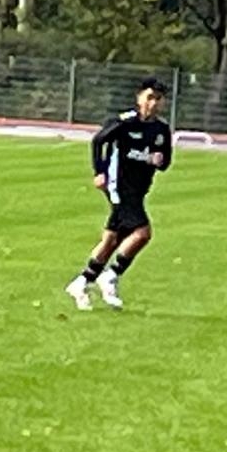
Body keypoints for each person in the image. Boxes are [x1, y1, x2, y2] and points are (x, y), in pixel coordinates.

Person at [66, 78, 173, 310]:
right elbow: (98, 141)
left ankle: (81, 282)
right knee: (143, 233)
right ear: (139, 98)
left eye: (158, 99)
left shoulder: (161, 129)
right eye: (149, 97)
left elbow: (165, 163)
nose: (154, 103)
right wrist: (99, 171)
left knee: (112, 239)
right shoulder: (124, 122)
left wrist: (159, 160)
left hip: (139, 189)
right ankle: (111, 275)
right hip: (119, 186)